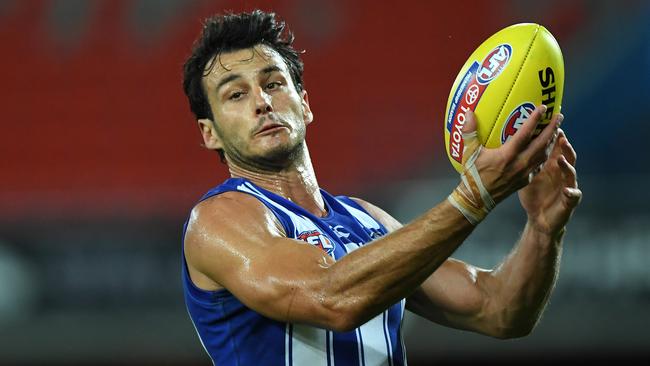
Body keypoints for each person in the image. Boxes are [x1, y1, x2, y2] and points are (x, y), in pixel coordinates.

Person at [180, 10, 581, 366]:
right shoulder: (217, 220)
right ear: (209, 133)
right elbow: (329, 296)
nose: (262, 102)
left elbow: (498, 309)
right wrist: (474, 196)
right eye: (236, 94)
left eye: (273, 83)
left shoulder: (364, 219)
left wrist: (544, 228)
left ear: (304, 104)